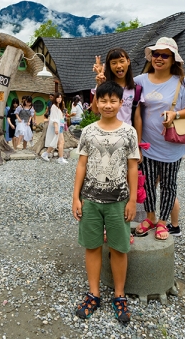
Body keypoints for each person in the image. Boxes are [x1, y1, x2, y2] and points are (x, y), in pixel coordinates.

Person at [72, 81, 139, 325]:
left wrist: (132, 199)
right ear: (96, 103)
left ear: (121, 103)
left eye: (113, 101)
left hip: (118, 200)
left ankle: (119, 295)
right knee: (92, 246)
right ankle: (94, 293)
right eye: (103, 101)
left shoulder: (129, 132)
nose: (108, 105)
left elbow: (133, 166)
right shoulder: (89, 131)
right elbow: (81, 164)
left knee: (119, 248)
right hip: (90, 199)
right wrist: (75, 197)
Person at [133, 37, 185, 240]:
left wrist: (176, 114)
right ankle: (150, 218)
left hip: (172, 146)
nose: (159, 58)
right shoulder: (140, 80)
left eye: (165, 55)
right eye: (156, 54)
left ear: (173, 60)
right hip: (146, 144)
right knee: (146, 184)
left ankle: (163, 222)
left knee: (169, 185)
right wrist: (102, 80)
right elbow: (120, 93)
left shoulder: (181, 82)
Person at [91, 48, 140, 125]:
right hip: (107, 132)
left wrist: (138, 137)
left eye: (121, 61)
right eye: (114, 63)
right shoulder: (105, 85)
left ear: (128, 61)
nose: (118, 66)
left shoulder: (135, 89)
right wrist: (100, 85)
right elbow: (95, 110)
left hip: (126, 133)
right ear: (109, 66)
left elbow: (137, 118)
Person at [42, 93, 67, 163]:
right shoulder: (54, 107)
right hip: (57, 126)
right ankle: (60, 158)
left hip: (60, 125)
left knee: (56, 142)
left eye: (61, 98)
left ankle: (45, 154)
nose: (59, 99)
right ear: (55, 98)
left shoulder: (59, 107)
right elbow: (54, 118)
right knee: (61, 142)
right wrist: (56, 127)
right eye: (58, 98)